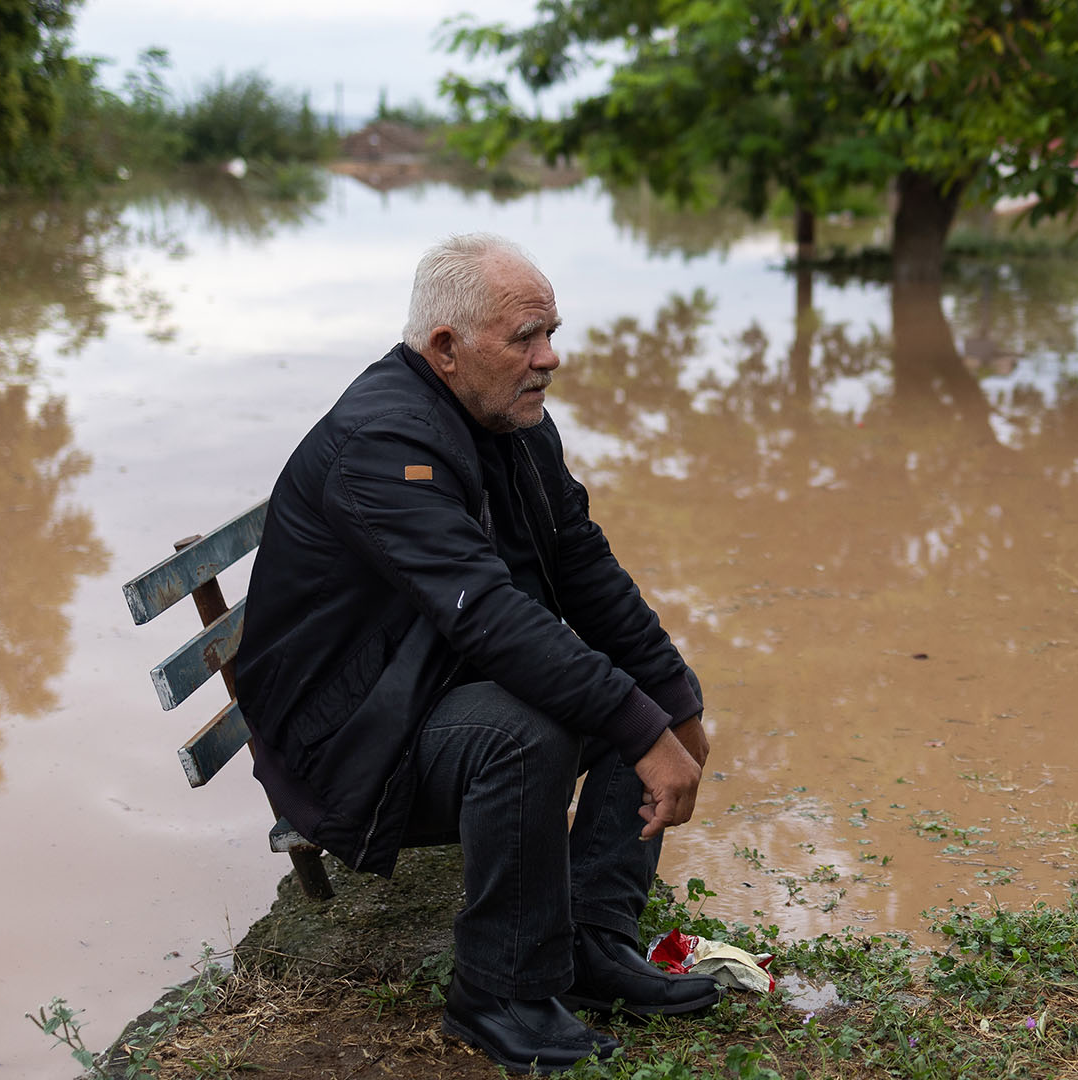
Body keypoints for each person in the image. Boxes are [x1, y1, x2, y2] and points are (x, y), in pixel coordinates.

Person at [233, 233, 721, 1072]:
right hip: (345, 740)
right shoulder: (383, 446)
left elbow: (581, 560)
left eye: (553, 332)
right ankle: (499, 993)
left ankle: (592, 948)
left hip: (421, 682)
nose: (550, 357)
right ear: (447, 349)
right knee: (526, 727)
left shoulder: (510, 419)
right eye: (526, 336)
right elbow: (489, 615)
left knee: (620, 694)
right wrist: (643, 731)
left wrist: (673, 700)